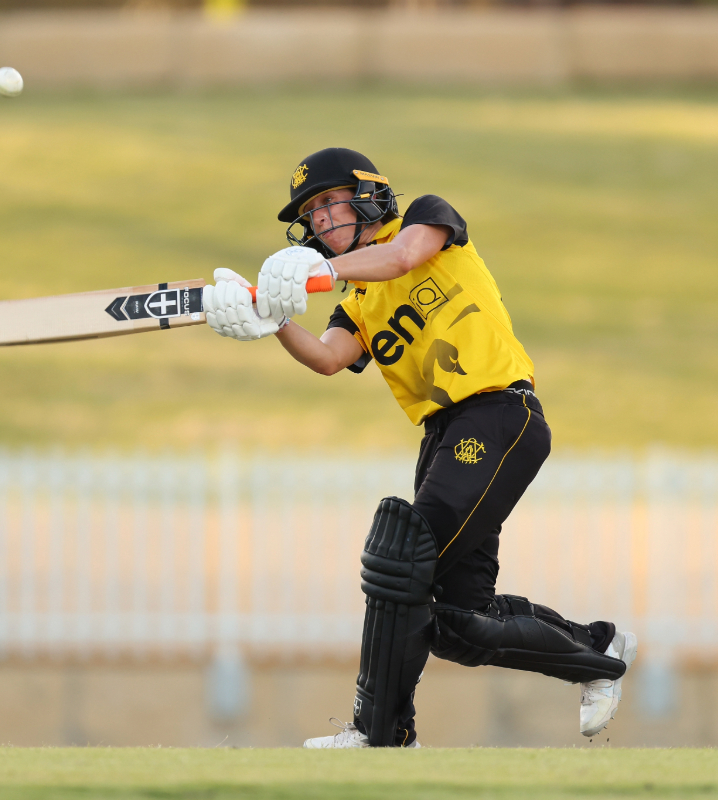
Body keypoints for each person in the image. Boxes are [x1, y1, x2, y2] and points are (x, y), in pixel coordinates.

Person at [202, 147, 637, 748]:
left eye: (330, 201)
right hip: (443, 437)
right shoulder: (355, 299)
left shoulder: (426, 221)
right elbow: (330, 358)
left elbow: (403, 256)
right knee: (459, 623)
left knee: (401, 563)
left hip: (498, 413)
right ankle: (599, 650)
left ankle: (378, 732)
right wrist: (267, 318)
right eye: (312, 212)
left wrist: (318, 274)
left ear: (368, 193)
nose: (323, 219)